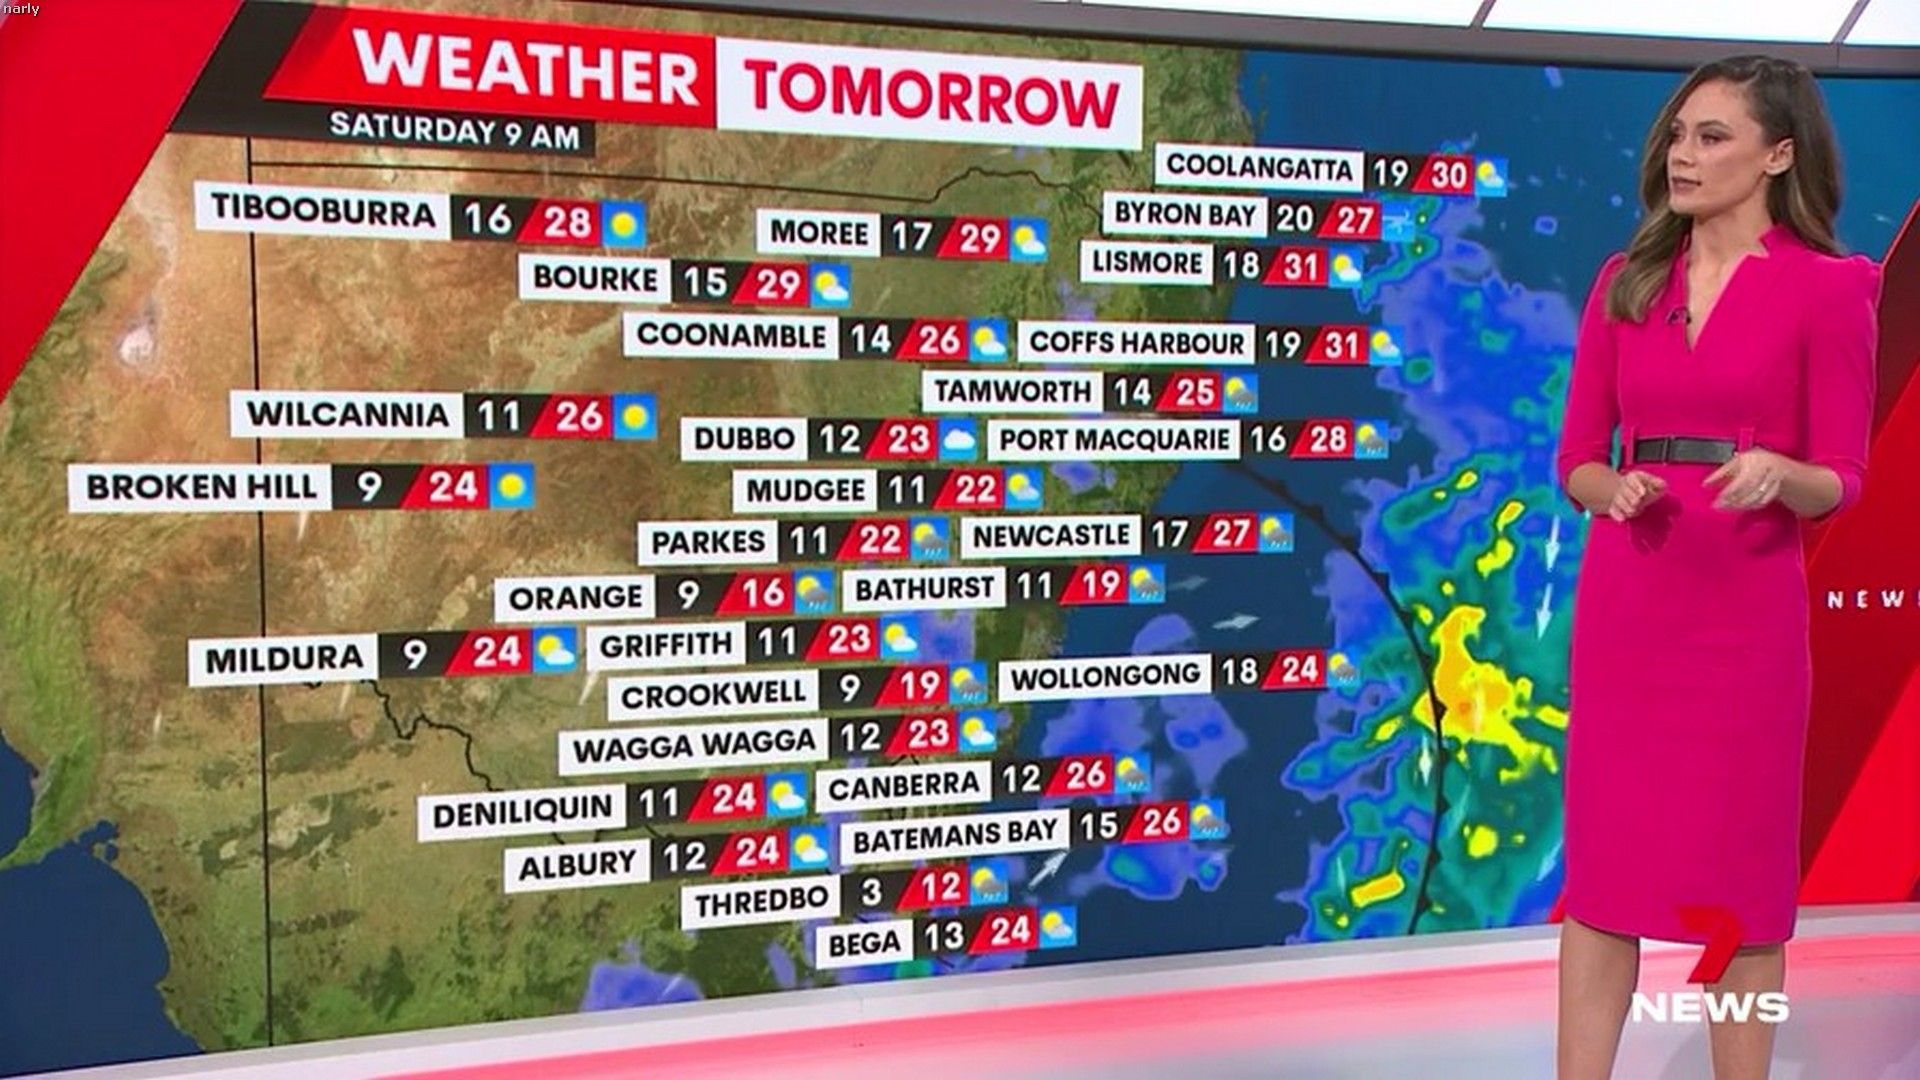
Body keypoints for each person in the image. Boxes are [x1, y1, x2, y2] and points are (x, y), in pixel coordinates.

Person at [1551, 55, 1882, 1080]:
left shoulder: (1830, 290)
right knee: (1602, 884)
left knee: (1742, 891)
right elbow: (1577, 459)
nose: (1681, 156)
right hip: (1630, 610)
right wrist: (1611, 490)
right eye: (1677, 136)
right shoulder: (1627, 282)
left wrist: (1782, 473)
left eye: (1712, 137)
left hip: (1743, 624)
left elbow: (1843, 479)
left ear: (1778, 156)